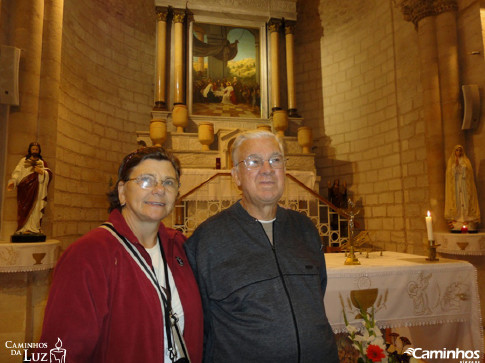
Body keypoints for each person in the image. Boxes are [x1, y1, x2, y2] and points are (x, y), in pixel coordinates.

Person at [184, 130, 339, 362]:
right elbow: (198, 323)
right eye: (253, 161)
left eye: (275, 160)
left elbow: (318, 292)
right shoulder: (208, 239)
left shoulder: (305, 229)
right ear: (236, 176)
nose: (267, 169)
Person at [39, 147, 203, 363]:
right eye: (146, 180)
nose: (159, 189)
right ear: (122, 191)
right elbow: (58, 352)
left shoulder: (179, 246)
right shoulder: (88, 254)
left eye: (169, 182)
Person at [7, 142, 52, 235]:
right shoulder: (23, 161)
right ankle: (22, 228)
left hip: (37, 189)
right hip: (24, 188)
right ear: (30, 150)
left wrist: (42, 172)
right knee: (24, 208)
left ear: (39, 151)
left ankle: (34, 228)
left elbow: (49, 173)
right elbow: (17, 172)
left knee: (36, 207)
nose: (35, 151)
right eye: (33, 149)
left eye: (36, 149)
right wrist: (13, 181)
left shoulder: (42, 162)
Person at [444, 145, 480, 230]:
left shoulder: (466, 161)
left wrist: (462, 168)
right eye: (457, 150)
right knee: (458, 201)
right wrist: (455, 166)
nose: (458, 152)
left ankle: (466, 219)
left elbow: (468, 173)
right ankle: (458, 219)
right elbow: (450, 175)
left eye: (460, 150)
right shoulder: (451, 161)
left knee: (465, 199)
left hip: (464, 184)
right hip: (456, 185)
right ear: (454, 152)